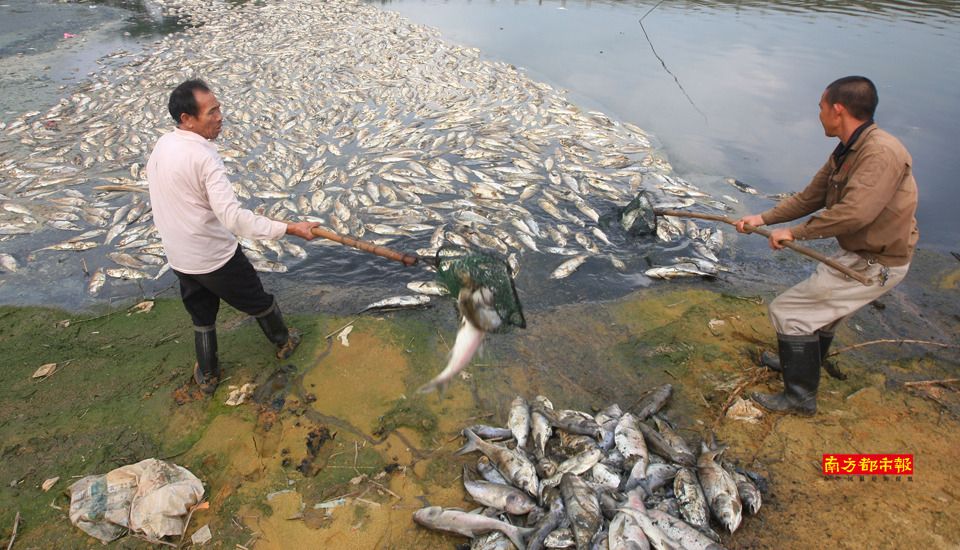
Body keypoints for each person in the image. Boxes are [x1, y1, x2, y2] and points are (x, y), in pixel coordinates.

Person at [734, 76, 919, 416]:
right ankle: (802, 364)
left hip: (876, 262)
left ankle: (800, 398)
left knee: (788, 313)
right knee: (822, 314)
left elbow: (855, 213)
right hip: (860, 253)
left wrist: (796, 233)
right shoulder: (849, 148)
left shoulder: (880, 152)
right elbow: (812, 196)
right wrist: (763, 218)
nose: (818, 114)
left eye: (820, 107)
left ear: (837, 110)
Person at [147, 79, 320, 395]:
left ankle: (208, 374)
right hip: (214, 257)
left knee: (201, 313)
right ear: (187, 119)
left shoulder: (163, 144)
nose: (220, 117)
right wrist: (290, 228)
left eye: (219, 108)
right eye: (211, 112)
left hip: (180, 257)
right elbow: (233, 218)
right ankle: (284, 340)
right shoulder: (204, 157)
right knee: (256, 299)